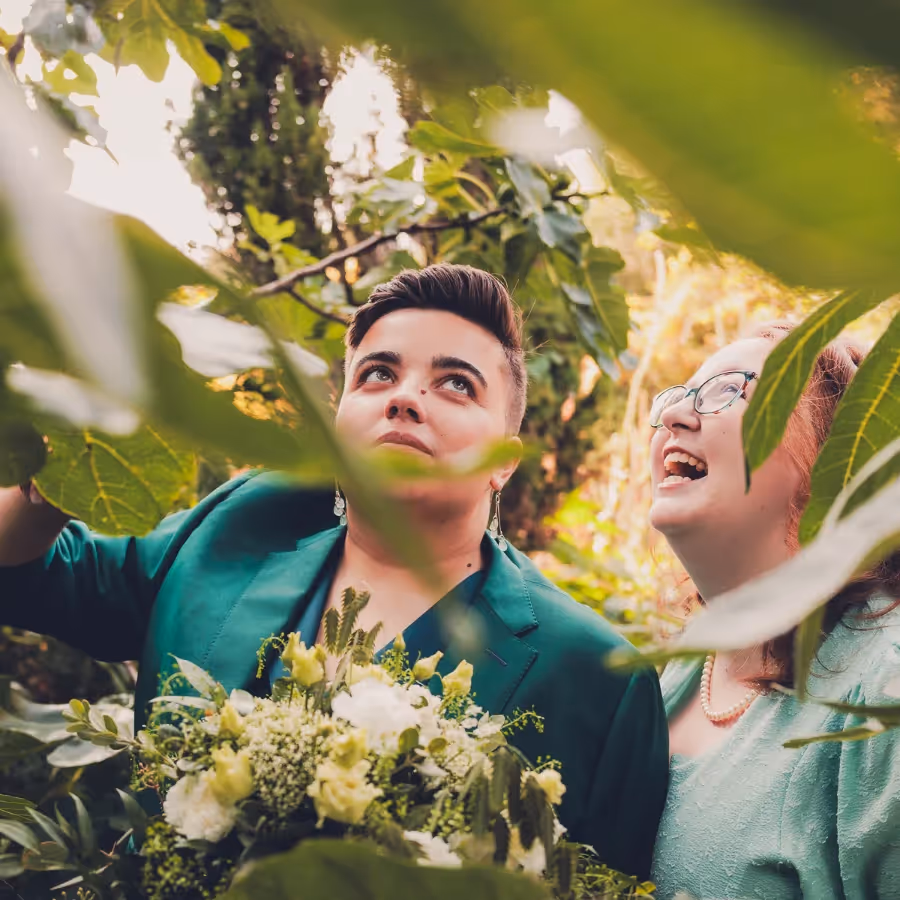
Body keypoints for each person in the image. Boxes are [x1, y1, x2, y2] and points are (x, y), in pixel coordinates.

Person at [0, 263, 667, 878]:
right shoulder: (239, 528)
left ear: (503, 461)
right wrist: (72, 449)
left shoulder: (597, 679)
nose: (405, 398)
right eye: (378, 374)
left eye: (456, 384)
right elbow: (35, 574)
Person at [647, 322, 900, 899]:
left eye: (730, 392)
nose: (676, 418)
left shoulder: (885, 685)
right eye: (679, 396)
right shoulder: (686, 666)